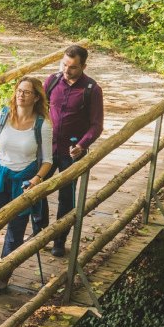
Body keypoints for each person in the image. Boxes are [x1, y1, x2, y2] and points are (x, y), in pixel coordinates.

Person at [0, 77, 53, 294]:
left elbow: (47, 161)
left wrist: (36, 180)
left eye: (27, 92)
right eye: (19, 90)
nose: (21, 95)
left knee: (15, 232)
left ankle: (2, 275)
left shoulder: (42, 126)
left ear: (36, 97)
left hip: (24, 182)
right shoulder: (3, 115)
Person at [40, 44, 104, 256]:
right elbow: (40, 110)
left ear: (83, 66)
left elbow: (96, 125)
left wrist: (82, 145)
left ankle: (59, 240)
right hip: (48, 149)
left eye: (73, 67)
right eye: (64, 64)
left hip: (72, 152)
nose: (67, 70)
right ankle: (40, 233)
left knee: (66, 198)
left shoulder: (91, 90)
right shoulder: (52, 81)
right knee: (37, 188)